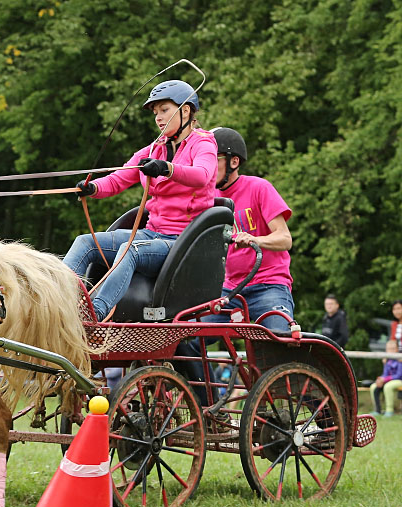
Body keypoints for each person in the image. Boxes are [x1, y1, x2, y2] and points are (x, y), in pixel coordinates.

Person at [63, 80, 217, 321]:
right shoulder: (154, 150)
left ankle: (93, 314)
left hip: (182, 242)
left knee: (129, 250)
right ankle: (59, 304)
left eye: (164, 110)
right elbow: (117, 179)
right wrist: (92, 188)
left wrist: (167, 168)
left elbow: (203, 175)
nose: (158, 118)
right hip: (151, 234)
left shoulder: (204, 143)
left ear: (185, 110)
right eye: (156, 113)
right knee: (85, 242)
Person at [209, 127, 295, 332]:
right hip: (230, 290)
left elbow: (285, 239)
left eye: (214, 159)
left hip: (268, 285)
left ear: (234, 162)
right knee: (188, 337)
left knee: (278, 339)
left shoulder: (259, 188)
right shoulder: (207, 199)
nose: (208, 166)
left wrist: (256, 240)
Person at [370, 339, 402, 416]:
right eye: (388, 349)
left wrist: (385, 379)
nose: (390, 351)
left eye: (393, 349)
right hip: (389, 380)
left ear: (397, 349)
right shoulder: (387, 360)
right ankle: (377, 410)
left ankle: (389, 410)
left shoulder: (400, 359)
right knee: (373, 386)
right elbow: (385, 374)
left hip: (399, 380)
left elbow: (399, 375)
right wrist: (380, 379)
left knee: (388, 386)